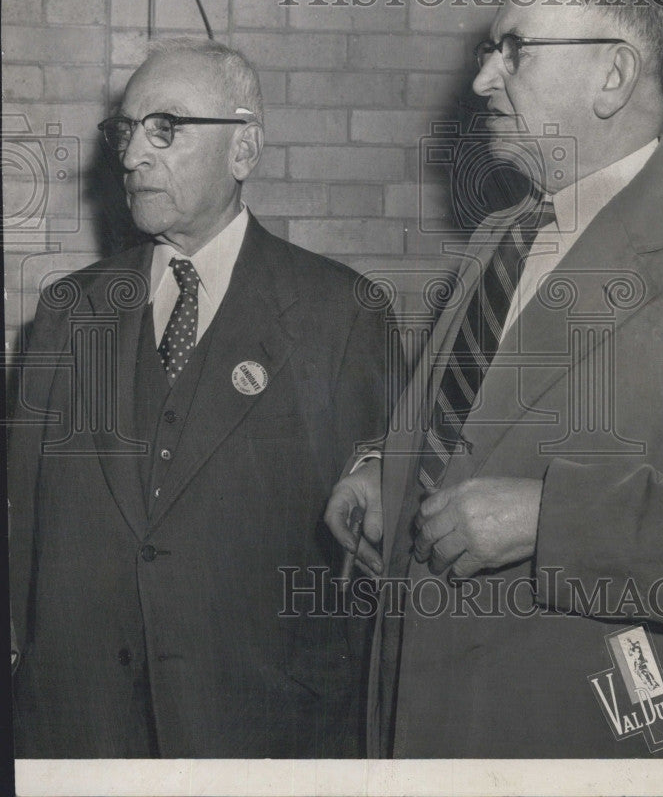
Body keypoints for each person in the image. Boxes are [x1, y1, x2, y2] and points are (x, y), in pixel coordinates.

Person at [325, 0, 663, 759]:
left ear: (613, 75)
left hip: (574, 735)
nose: (482, 81)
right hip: (420, 717)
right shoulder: (498, 239)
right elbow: (461, 434)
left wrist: (550, 518)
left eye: (515, 51)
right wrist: (378, 470)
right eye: (489, 51)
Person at [8, 37, 391, 758]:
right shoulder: (66, 312)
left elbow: (367, 562)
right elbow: (22, 525)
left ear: (243, 150)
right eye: (126, 132)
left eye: (167, 129)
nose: (130, 158)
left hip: (260, 733)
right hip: (81, 731)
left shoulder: (341, 312)